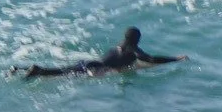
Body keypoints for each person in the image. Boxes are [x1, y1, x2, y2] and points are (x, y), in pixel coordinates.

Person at [10, 27, 184, 79]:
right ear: (136, 40)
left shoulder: (119, 46)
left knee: (63, 70)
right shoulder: (133, 50)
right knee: (63, 74)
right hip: (97, 70)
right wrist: (175, 58)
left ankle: (23, 69)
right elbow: (151, 59)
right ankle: (37, 70)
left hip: (92, 62)